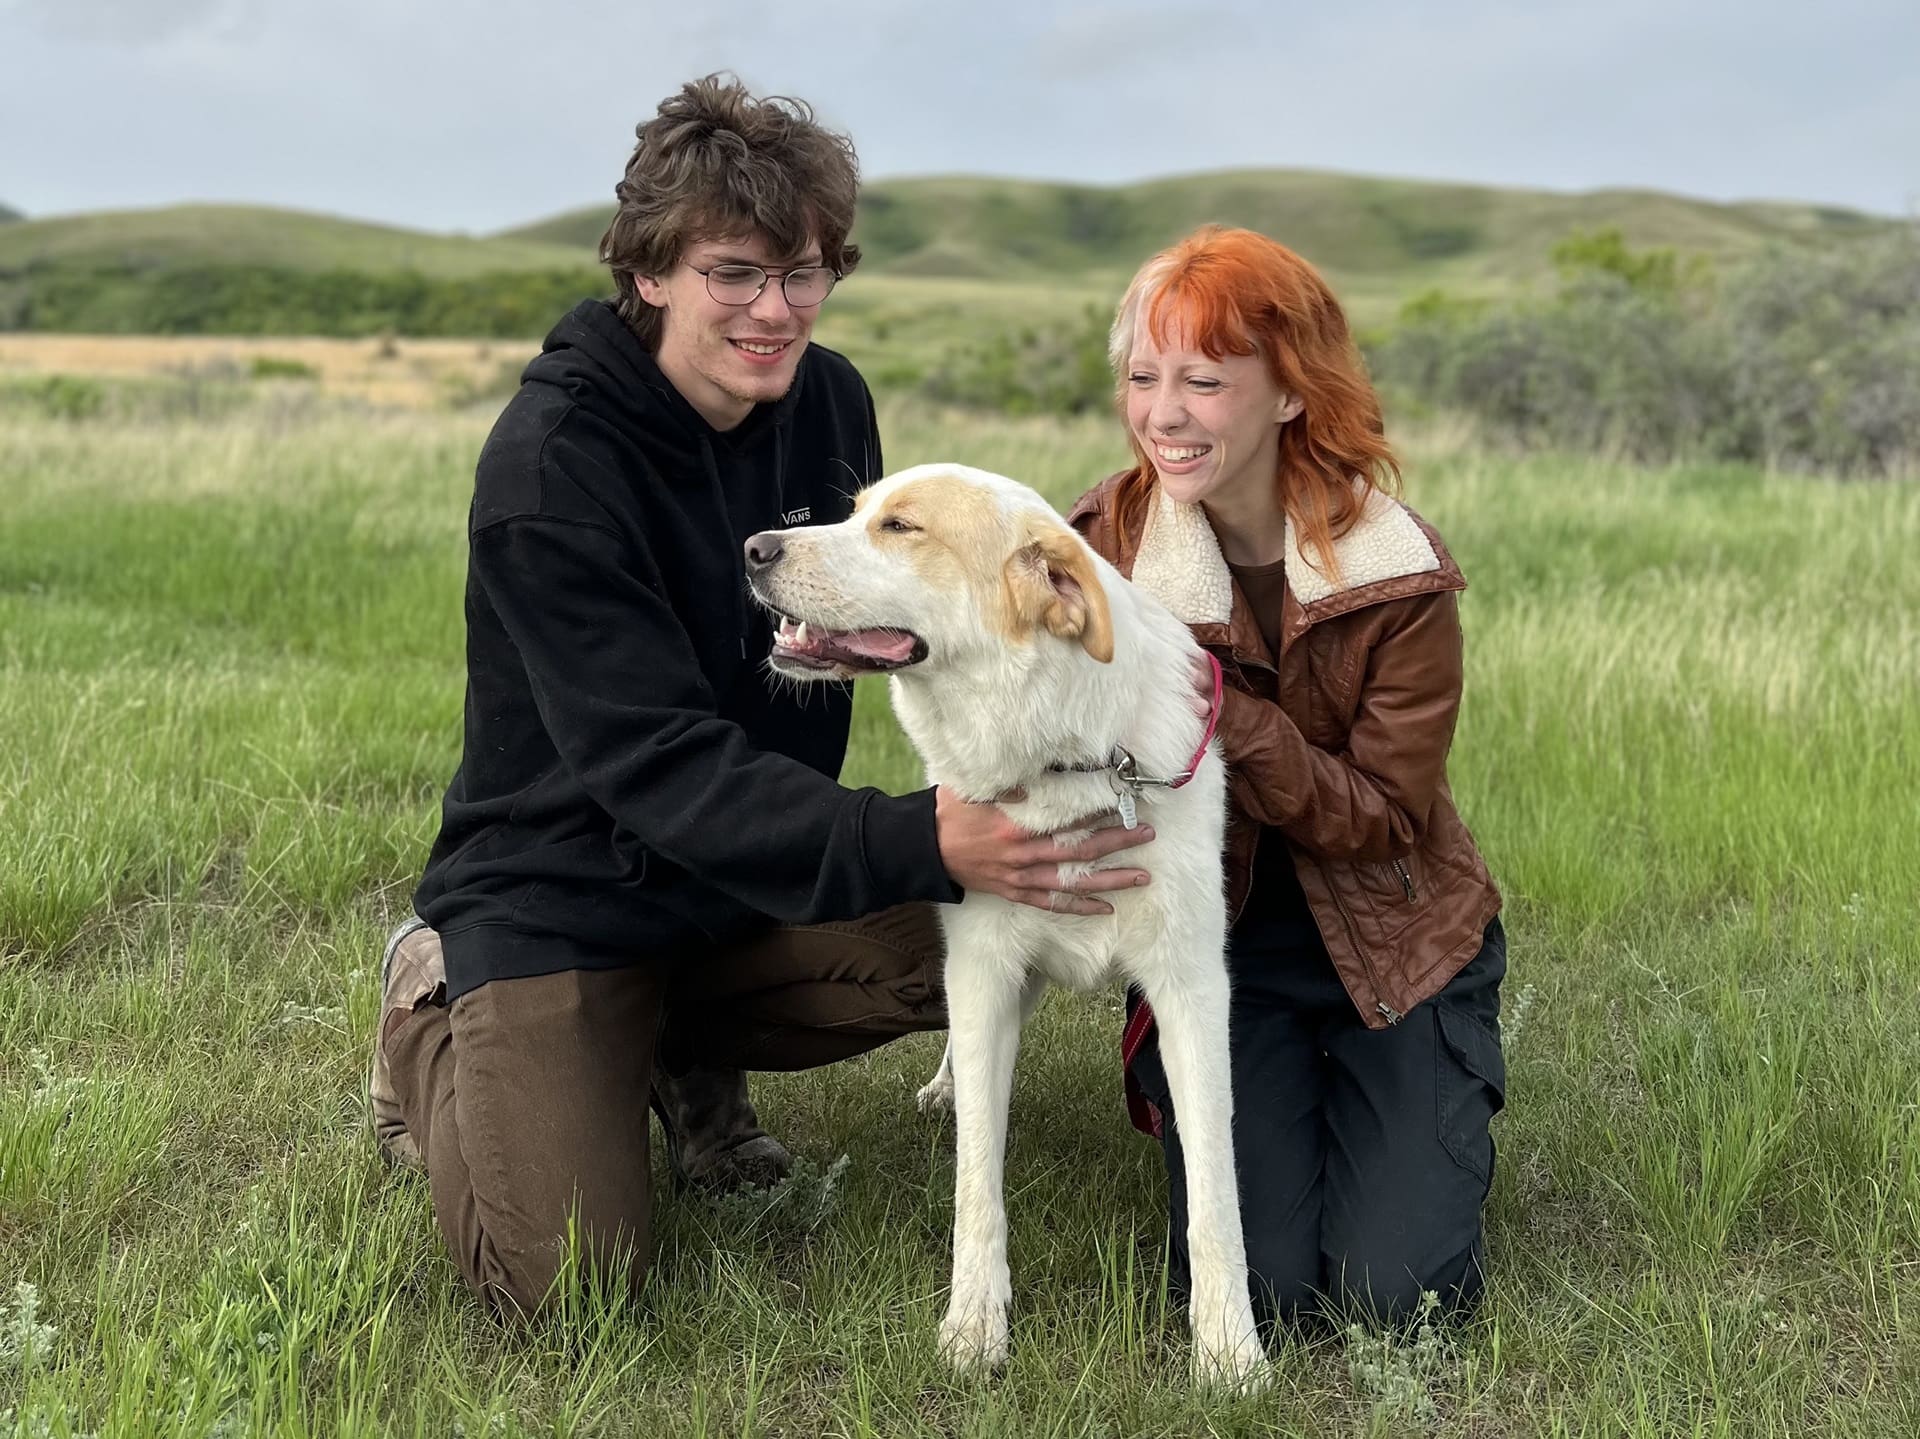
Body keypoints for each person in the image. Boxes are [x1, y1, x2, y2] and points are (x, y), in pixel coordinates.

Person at [366, 74, 1156, 1322]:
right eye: (734, 273)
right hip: (564, 896)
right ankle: (430, 1011)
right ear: (651, 271)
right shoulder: (551, 463)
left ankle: (685, 1047)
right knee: (566, 1287)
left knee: (982, 928)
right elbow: (654, 765)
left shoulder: (828, 401)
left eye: (804, 273)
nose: (773, 310)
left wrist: (1030, 776)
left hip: (735, 886)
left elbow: (902, 630)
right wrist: (916, 834)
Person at [1067, 225, 1507, 1326]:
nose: (1164, 413)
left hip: (1394, 940)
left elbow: (1383, 819)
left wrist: (1216, 709)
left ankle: (1411, 1096)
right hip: (1220, 947)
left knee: (1398, 1299)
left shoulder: (1397, 568)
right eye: (1142, 377)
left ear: (1290, 396)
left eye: (1205, 381)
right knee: (1253, 1294)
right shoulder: (1100, 548)